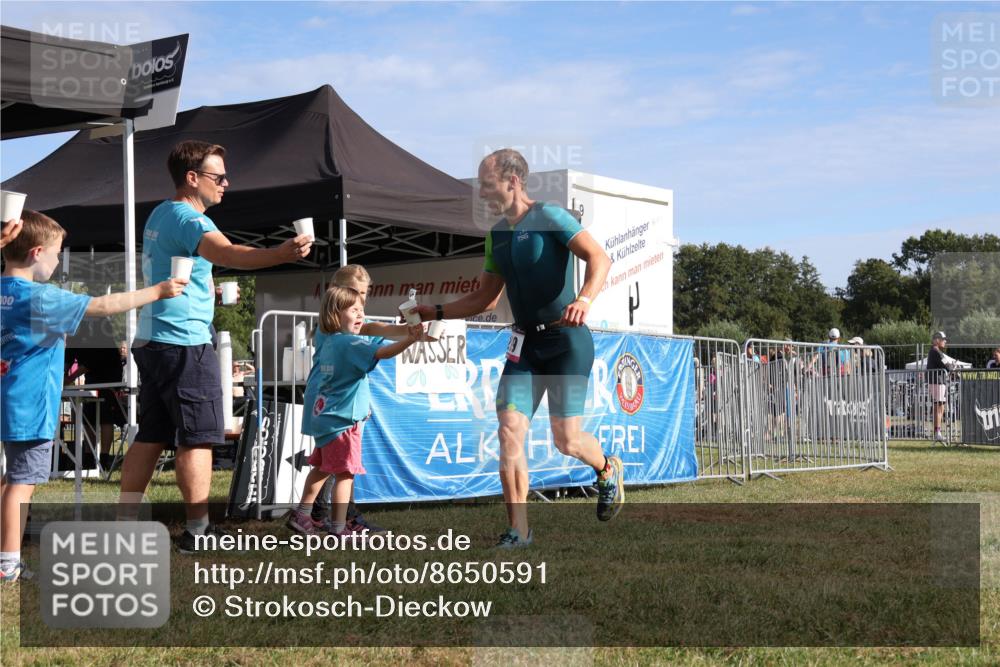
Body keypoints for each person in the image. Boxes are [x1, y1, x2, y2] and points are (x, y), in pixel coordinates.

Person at [415, 148, 618, 548]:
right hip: (525, 345)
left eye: (487, 186)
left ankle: (608, 468)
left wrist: (585, 300)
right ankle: (519, 531)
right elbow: (485, 300)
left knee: (567, 441)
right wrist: (434, 310)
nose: (483, 195)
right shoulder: (496, 236)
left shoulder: (550, 217)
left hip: (566, 341)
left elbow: (600, 258)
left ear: (513, 181)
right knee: (509, 430)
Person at [118, 140, 312, 553]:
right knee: (198, 436)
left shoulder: (160, 213)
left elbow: (196, 267)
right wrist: (280, 253)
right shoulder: (191, 219)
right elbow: (231, 253)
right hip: (184, 342)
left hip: (153, 339)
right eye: (218, 176)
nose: (226, 183)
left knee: (151, 433)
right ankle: (198, 531)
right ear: (192, 179)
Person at [1, 210, 186, 582]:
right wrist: (158, 291)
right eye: (56, 253)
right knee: (21, 483)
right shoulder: (42, 298)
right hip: (30, 405)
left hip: (9, 400)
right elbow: (101, 306)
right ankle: (7, 564)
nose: (58, 261)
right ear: (37, 253)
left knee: (9, 482)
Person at [286, 286, 420, 538]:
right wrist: (410, 339)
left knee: (322, 468)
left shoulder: (329, 341)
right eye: (354, 310)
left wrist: (403, 332)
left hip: (325, 418)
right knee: (345, 474)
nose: (361, 315)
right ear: (336, 314)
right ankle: (338, 528)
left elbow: (375, 336)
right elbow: (383, 351)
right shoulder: (349, 343)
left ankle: (301, 514)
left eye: (362, 309)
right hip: (343, 422)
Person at [64, 318, 128, 471]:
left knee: (105, 417)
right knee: (89, 417)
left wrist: (69, 378)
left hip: (109, 377)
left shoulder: (98, 326)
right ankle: (88, 458)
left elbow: (94, 361)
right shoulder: (74, 333)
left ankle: (104, 458)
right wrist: (63, 374)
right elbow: (68, 357)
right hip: (92, 379)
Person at [927, 331, 957, 443]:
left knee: (941, 407)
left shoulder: (936, 351)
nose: (945, 341)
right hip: (937, 381)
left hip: (939, 381)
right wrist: (952, 367)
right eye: (943, 339)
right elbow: (946, 365)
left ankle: (938, 432)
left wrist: (950, 366)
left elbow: (946, 365)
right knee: (938, 407)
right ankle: (937, 433)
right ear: (937, 340)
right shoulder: (935, 351)